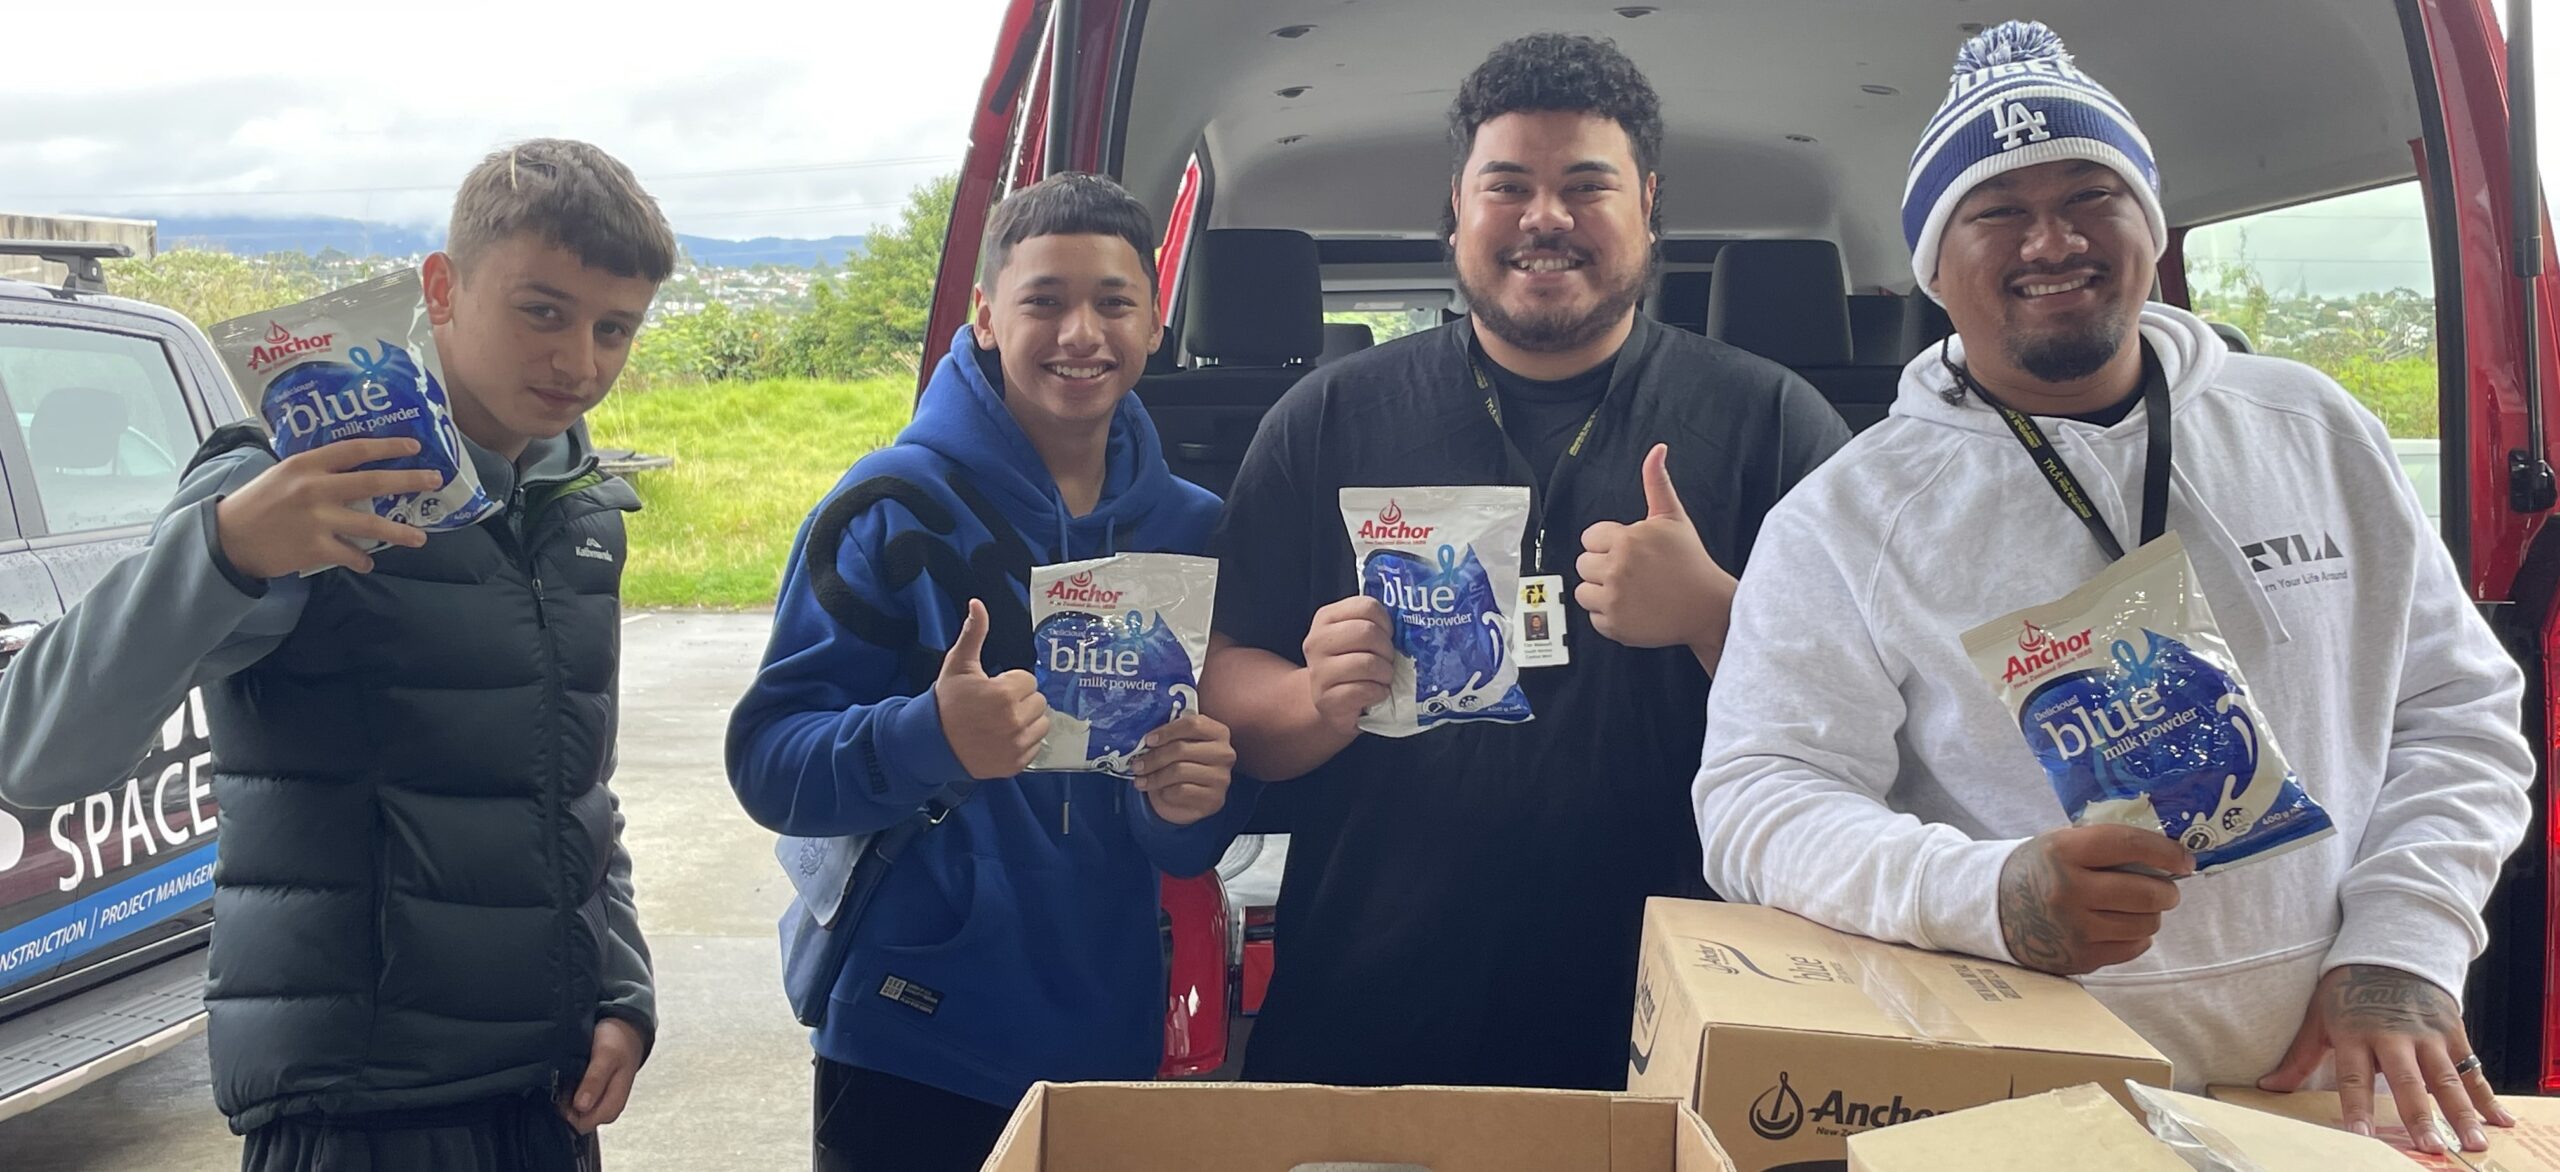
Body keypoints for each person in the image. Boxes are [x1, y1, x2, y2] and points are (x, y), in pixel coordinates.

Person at [1692, 20, 2531, 1155]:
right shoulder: (1843, 519)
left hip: (2337, 1077)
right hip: (2023, 1096)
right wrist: (1991, 894)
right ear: (1932, 267)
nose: (2052, 238)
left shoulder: (2314, 429)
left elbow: (2458, 708)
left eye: (2093, 193)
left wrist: (2402, 943)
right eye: (1994, 210)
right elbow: (1756, 797)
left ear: (2150, 224)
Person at [0, 139, 675, 1169]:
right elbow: (35, 750)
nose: (579, 362)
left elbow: (572, 788)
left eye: (613, 327)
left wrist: (621, 988)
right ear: (440, 289)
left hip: (544, 1104)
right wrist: (221, 549)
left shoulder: (578, 510)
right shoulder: (294, 483)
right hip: (358, 1114)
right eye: (542, 310)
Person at [1201, 33, 1850, 1091]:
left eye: (1584, 185)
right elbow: (1228, 679)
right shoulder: (1326, 416)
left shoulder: (1775, 421)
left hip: (1689, 1018)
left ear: (1647, 204)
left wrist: (1714, 612)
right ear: (1452, 210)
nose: (1544, 216)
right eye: (1507, 185)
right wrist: (1315, 698)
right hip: (1373, 1007)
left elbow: (1874, 727)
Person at [728, 172, 1255, 1172]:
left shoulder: (1196, 530)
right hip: (908, 1032)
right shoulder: (887, 503)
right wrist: (924, 737)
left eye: (1112, 301)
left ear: (1155, 319)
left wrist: (1191, 805)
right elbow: (766, 758)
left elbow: (1186, 846)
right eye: (1043, 299)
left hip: (1108, 1038)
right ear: (982, 316)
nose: (1080, 334)